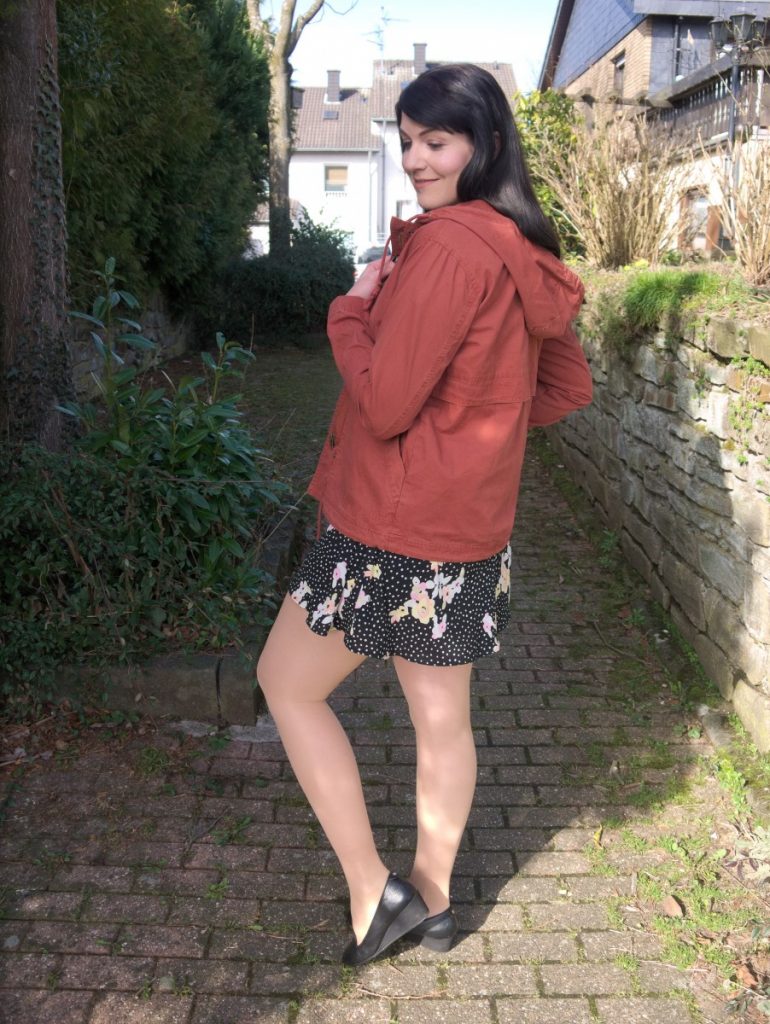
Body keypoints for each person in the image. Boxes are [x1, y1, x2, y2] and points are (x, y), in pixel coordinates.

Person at [257, 63, 593, 967]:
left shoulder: (447, 247)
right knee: (442, 717)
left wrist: (351, 312)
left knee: (287, 684)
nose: (414, 159)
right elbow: (563, 382)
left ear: (482, 146)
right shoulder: (519, 246)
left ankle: (375, 892)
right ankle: (435, 904)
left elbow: (387, 403)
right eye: (406, 140)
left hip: (389, 532)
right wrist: (477, 431)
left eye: (434, 141)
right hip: (465, 530)